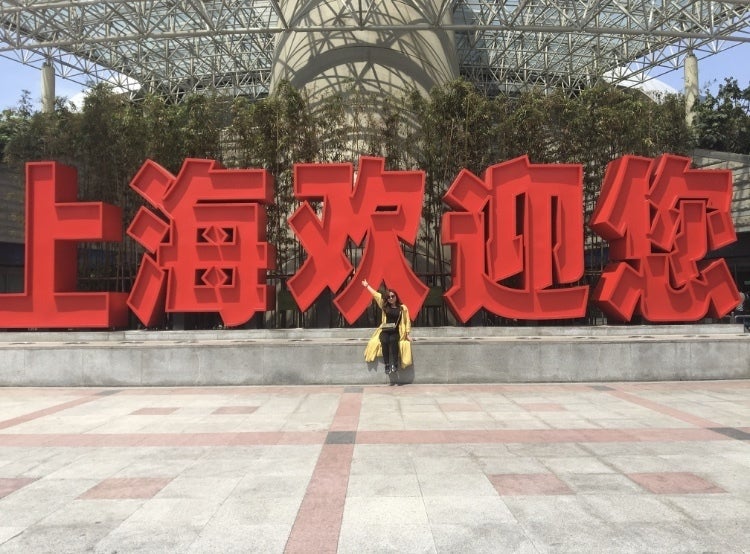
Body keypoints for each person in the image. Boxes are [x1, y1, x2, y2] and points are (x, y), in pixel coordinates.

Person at [362, 279, 412, 374]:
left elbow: (407, 321)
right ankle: (387, 365)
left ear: (396, 297)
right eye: (388, 297)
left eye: (393, 296)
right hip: (385, 330)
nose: (391, 298)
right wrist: (367, 286)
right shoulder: (385, 306)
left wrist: (408, 334)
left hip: (396, 331)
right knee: (384, 341)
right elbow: (376, 295)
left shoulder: (402, 308)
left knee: (393, 340)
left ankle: (395, 364)